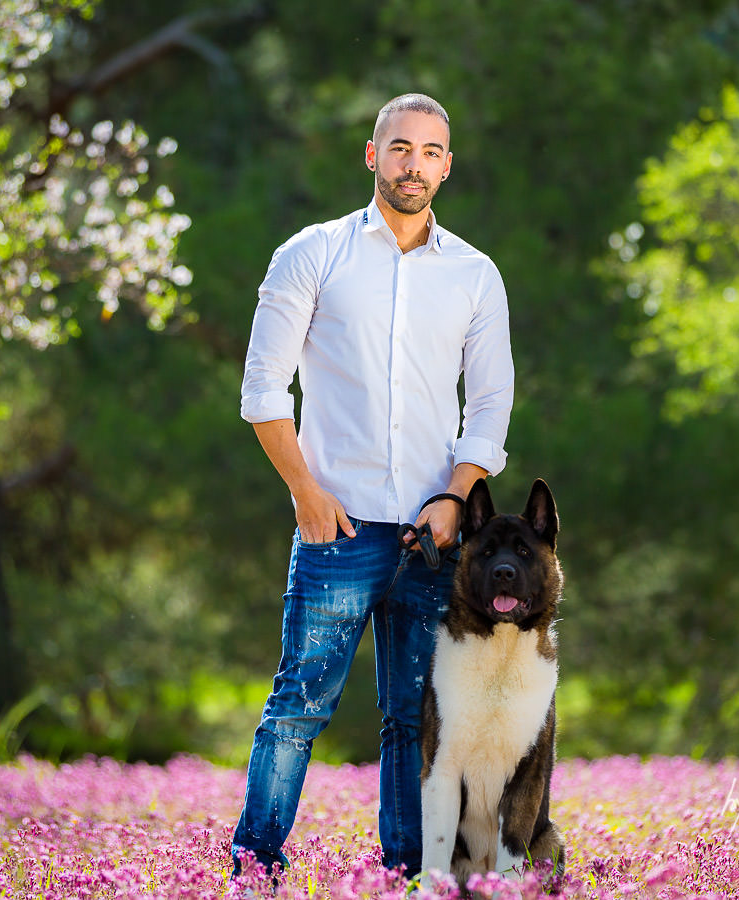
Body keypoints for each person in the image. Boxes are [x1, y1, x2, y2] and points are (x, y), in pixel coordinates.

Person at [232, 92, 514, 887]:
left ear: (447, 166)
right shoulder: (311, 254)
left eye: (429, 152)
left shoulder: (475, 275)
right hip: (338, 532)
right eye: (399, 148)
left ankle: (401, 872)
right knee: (296, 712)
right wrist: (306, 493)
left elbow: (489, 404)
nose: (412, 164)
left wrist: (457, 495)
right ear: (371, 154)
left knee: (410, 721)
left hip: (434, 539)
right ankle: (254, 869)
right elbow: (262, 391)